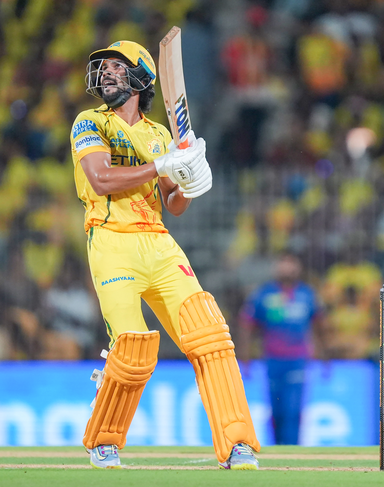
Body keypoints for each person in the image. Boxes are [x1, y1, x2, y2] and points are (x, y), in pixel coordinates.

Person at [70, 40, 260, 470]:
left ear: (141, 78)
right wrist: (163, 166)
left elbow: (173, 204)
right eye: (103, 67)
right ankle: (105, 441)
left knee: (210, 335)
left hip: (158, 242)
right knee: (132, 346)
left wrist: (189, 179)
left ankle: (237, 444)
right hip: (111, 240)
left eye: (117, 66)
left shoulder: (160, 135)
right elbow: (100, 179)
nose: (106, 72)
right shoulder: (89, 122)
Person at [238, 251, 325, 445]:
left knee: (292, 409)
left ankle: (293, 449)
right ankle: (279, 449)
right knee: (276, 410)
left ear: (298, 268)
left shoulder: (307, 294)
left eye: (291, 263)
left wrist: (325, 357)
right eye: (283, 263)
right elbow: (247, 325)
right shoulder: (264, 294)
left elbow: (320, 326)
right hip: (272, 359)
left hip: (297, 359)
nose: (287, 268)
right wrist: (245, 358)